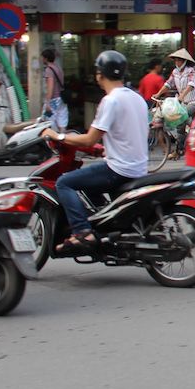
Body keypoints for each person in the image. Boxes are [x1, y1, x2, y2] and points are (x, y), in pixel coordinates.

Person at [43, 51, 151, 253]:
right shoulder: (137, 98)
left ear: (99, 75)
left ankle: (83, 232)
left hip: (119, 170)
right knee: (90, 185)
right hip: (138, 167)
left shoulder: (110, 101)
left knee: (64, 183)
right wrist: (106, 150)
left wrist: (57, 136)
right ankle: (103, 225)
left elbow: (89, 138)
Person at [156, 48, 195, 119]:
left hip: (194, 102)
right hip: (182, 102)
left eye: (179, 60)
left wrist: (181, 97)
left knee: (179, 117)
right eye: (176, 60)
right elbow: (168, 84)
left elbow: (191, 85)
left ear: (184, 61)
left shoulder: (190, 71)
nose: (177, 62)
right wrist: (158, 94)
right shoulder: (175, 72)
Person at [41, 48, 68, 133]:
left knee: (48, 121)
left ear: (45, 58)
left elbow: (50, 87)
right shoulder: (58, 68)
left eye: (42, 57)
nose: (41, 59)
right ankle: (63, 139)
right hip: (61, 98)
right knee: (62, 120)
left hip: (53, 100)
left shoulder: (49, 70)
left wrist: (47, 103)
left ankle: (53, 142)